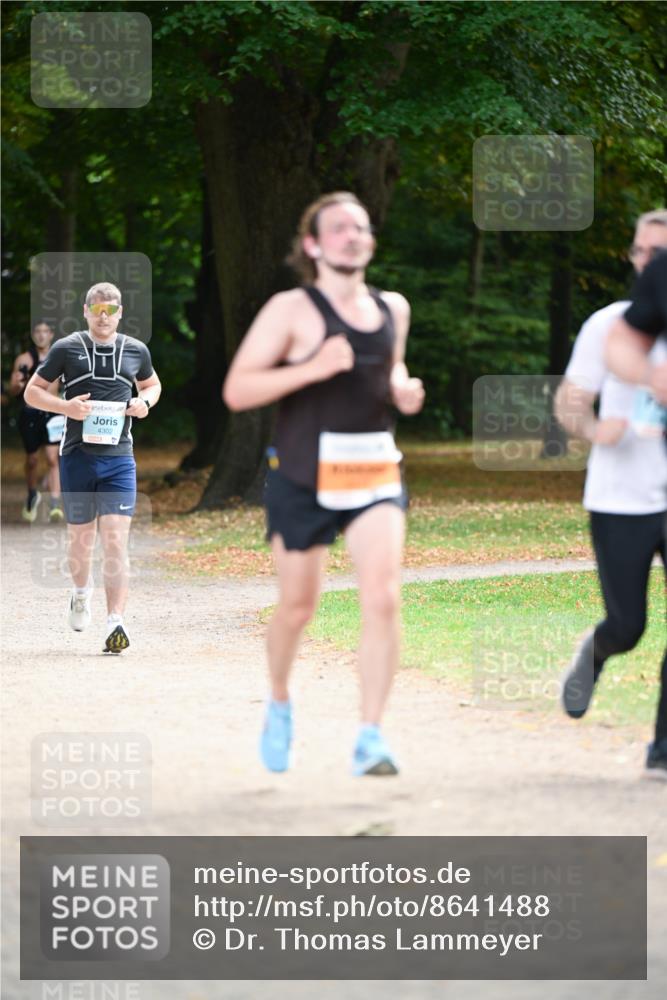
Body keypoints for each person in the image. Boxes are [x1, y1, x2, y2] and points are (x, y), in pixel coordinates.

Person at [223, 192, 425, 776]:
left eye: (361, 227)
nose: (352, 236)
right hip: (303, 476)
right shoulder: (292, 310)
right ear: (312, 244)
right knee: (297, 606)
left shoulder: (394, 308)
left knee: (383, 597)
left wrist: (403, 389)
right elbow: (238, 391)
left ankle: (371, 737)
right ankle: (280, 703)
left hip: (374, 471)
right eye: (339, 228)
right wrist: (313, 366)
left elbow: (390, 372)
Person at [556, 210, 667, 775]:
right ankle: (595, 654)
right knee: (629, 626)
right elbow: (570, 400)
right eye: (643, 252)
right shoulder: (608, 325)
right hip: (621, 496)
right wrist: (594, 428)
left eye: (662, 254)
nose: (651, 262)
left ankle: (663, 750)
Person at [24, 282, 161, 653]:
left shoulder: (136, 350)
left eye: (111, 310)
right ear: (86, 311)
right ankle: (81, 593)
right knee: (81, 541)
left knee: (115, 541)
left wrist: (145, 402)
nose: (104, 316)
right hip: (77, 458)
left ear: (120, 312)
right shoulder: (66, 348)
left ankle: (115, 622)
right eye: (97, 309)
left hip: (119, 460)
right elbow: (32, 392)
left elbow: (152, 384)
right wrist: (66, 408)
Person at [8, 321, 64, 522]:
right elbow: (13, 391)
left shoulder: (59, 357)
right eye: (37, 332)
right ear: (33, 335)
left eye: (45, 332)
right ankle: (32, 494)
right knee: (32, 460)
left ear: (51, 334)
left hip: (53, 412)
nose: (41, 336)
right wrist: (15, 385)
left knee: (52, 458)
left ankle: (55, 503)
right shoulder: (24, 359)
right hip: (30, 413)